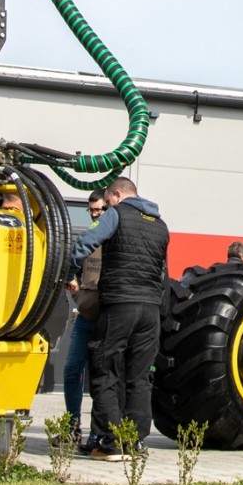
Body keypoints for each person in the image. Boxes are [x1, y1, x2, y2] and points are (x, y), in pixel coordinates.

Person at [69, 176, 168, 461]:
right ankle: (134, 442)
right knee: (139, 377)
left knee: (105, 369)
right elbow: (162, 273)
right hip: (150, 310)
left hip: (119, 305)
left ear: (117, 194)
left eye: (109, 200)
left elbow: (85, 244)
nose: (107, 204)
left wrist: (68, 272)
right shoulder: (160, 225)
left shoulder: (116, 214)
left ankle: (110, 444)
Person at [61, 192, 107, 444]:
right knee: (71, 370)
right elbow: (73, 271)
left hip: (106, 319)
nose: (94, 214)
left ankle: (97, 431)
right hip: (85, 316)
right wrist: (75, 286)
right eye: (91, 211)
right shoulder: (86, 239)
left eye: (98, 210)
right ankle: (71, 425)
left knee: (100, 377)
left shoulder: (113, 239)